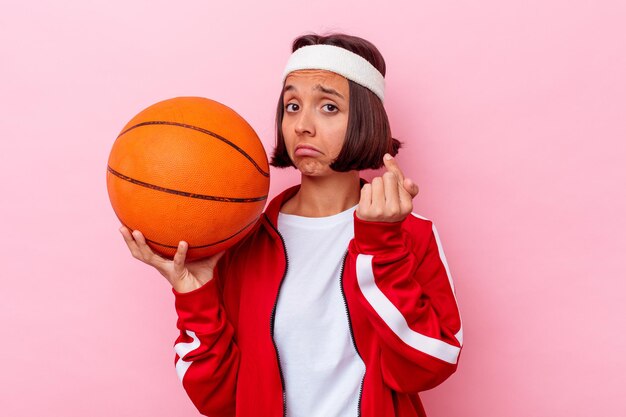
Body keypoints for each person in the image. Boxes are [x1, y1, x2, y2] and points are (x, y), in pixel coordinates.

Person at [120, 33, 463, 417]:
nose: (302, 125)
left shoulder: (409, 234)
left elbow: (427, 365)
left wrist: (382, 245)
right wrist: (195, 295)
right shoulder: (244, 241)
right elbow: (219, 400)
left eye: (328, 107)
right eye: (292, 105)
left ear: (366, 120)